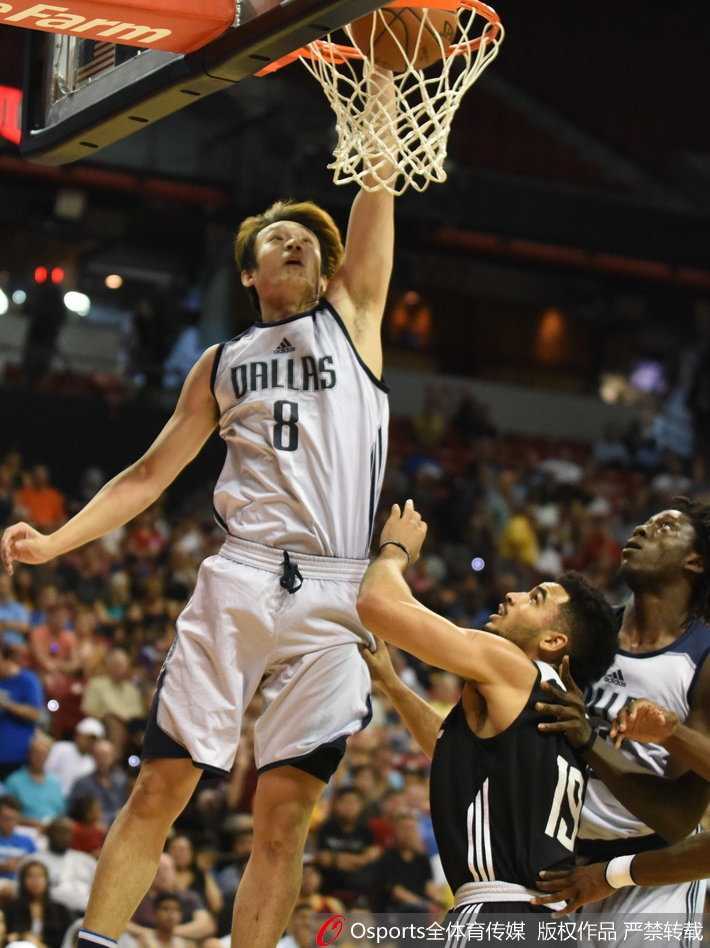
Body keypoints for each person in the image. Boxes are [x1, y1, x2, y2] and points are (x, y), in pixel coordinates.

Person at [1, 70, 397, 948]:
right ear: (250, 269)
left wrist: (378, 91)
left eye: (307, 243)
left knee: (287, 813)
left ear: (327, 268)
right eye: (279, 240)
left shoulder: (354, 318)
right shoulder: (219, 363)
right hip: (245, 576)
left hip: (338, 593)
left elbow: (378, 180)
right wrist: (57, 541)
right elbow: (146, 477)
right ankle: (95, 941)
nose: (295, 247)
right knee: (163, 784)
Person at [356, 500, 618, 931]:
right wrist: (393, 685)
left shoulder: (512, 665)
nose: (512, 595)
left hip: (495, 914)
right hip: (549, 925)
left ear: (554, 639)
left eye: (535, 598)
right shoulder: (563, 714)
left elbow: (376, 604)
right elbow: (457, 753)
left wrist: (394, 552)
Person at [571, 499, 710, 921]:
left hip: (650, 870)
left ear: (696, 562)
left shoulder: (702, 655)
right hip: (562, 861)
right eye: (643, 521)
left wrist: (670, 732)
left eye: (665, 526)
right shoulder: (588, 635)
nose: (642, 529)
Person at [532, 695, 710, 914]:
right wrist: (670, 734)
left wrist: (672, 735)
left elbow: (681, 822)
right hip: (579, 861)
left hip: (649, 861)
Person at [32, 817, 97, 914]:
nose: (63, 836)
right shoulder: (35, 861)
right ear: (49, 833)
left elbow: (101, 889)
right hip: (52, 915)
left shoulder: (86, 860)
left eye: (67, 832)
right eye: (59, 831)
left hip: (87, 915)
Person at [2, 860, 73, 948]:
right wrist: (21, 936)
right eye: (30, 876)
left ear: (47, 880)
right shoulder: (11, 908)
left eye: (40, 876)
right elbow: (6, 935)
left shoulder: (60, 910)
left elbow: (68, 940)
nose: (35, 881)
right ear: (22, 880)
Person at [0, 644, 43, 781]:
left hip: (17, 758)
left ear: (7, 660)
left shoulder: (27, 680)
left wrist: (6, 704)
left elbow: (35, 713)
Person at [4, 733, 65, 826]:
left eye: (43, 754)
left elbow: (60, 813)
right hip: (24, 831)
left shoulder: (55, 783)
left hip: (51, 833)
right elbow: (5, 815)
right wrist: (34, 824)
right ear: (29, 754)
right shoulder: (14, 781)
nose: (39, 757)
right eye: (36, 753)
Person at [44, 718, 104, 796]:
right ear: (78, 734)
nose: (90, 743)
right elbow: (46, 771)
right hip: (51, 796)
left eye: (94, 740)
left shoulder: (92, 763)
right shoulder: (61, 748)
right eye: (88, 738)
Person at [0, 795, 37, 894]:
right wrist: (2, 867)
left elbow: (36, 867)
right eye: (5, 818)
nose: (9, 823)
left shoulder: (27, 841)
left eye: (13, 819)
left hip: (21, 886)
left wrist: (21, 863)